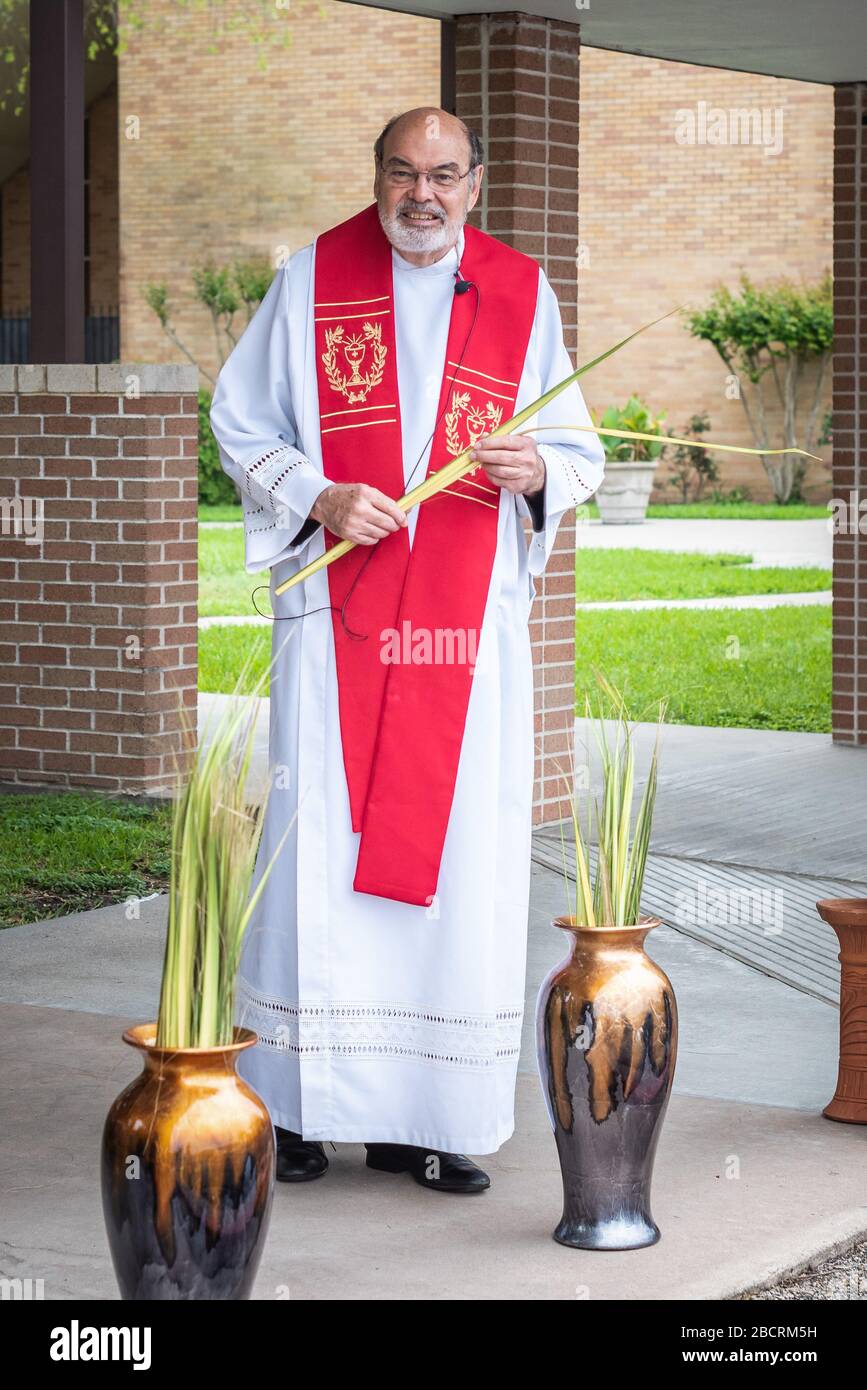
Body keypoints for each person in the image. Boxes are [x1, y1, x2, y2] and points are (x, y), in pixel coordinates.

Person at [209, 106, 604, 1195]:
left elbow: (578, 447)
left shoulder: (523, 294)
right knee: (314, 860)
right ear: (376, 176)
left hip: (463, 634)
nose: (419, 194)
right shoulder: (311, 278)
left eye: (442, 175)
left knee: (457, 865)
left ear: (475, 184)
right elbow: (241, 421)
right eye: (400, 172)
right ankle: (296, 1105)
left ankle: (426, 1119)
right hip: (336, 621)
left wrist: (538, 471)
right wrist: (317, 492)